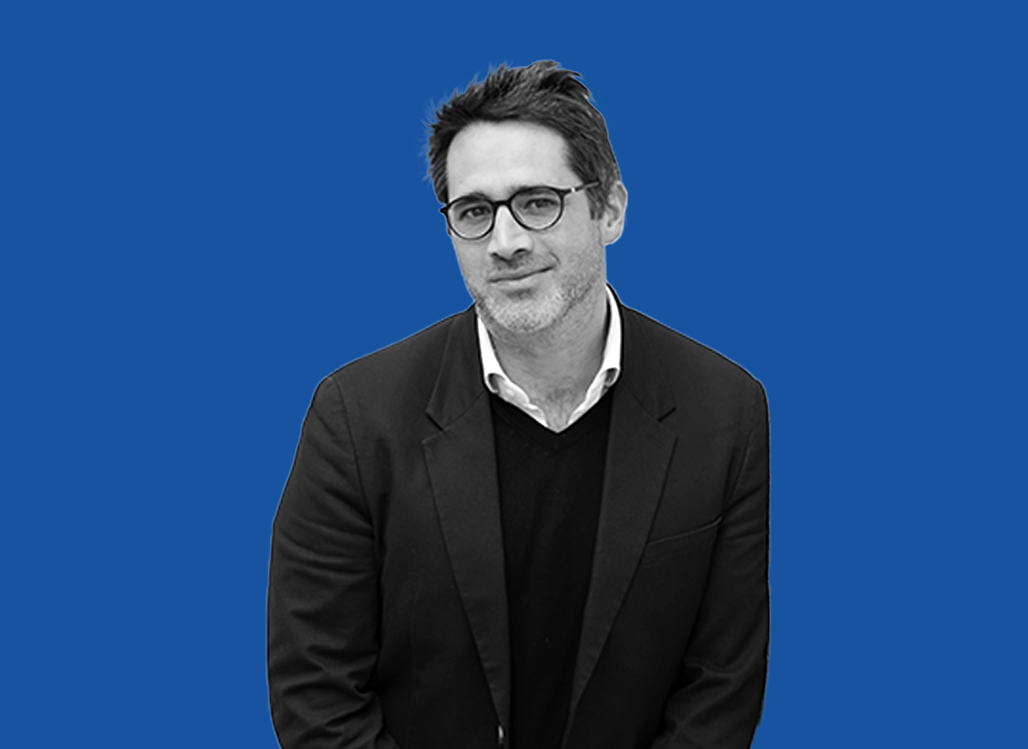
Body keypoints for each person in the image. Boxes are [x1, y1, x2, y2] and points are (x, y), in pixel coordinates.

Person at [267, 61, 769, 749]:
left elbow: (721, 688)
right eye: (475, 212)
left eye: (537, 202)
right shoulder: (356, 418)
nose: (506, 243)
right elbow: (316, 690)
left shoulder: (725, 410)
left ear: (610, 208)